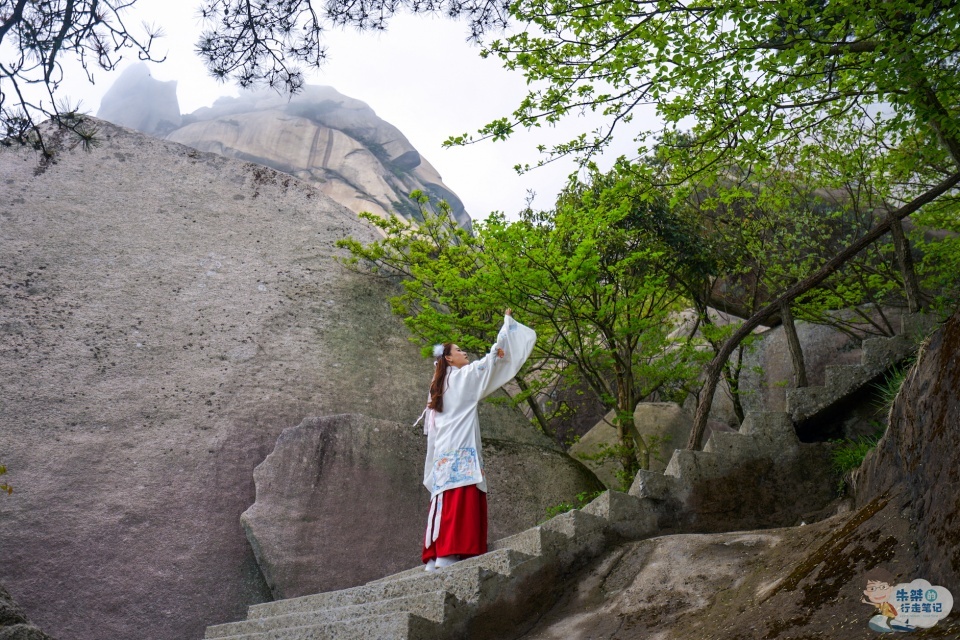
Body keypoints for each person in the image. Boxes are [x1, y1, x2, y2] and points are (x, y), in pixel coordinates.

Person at [417, 309, 536, 571]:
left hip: (442, 454)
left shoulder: (437, 388)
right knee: (460, 497)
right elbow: (492, 359)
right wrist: (506, 328)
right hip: (461, 449)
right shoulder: (462, 377)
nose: (464, 353)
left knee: (444, 500)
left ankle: (436, 556)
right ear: (448, 358)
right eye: (458, 350)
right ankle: (449, 553)